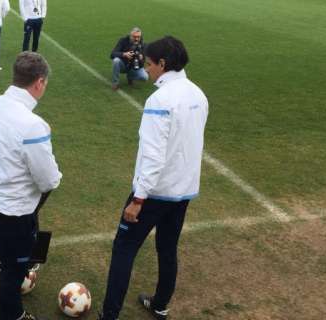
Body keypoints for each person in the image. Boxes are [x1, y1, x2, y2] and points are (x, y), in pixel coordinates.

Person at [98, 35, 209, 320]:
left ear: (162, 63)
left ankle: (109, 315)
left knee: (123, 249)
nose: (146, 69)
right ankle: (160, 305)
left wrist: (138, 199)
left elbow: (153, 155)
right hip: (183, 191)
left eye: (149, 64)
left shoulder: (159, 99)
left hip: (154, 193)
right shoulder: (199, 94)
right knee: (168, 248)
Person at [0, 51, 62, 320]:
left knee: (8, 241)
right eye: (45, 83)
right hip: (13, 213)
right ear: (39, 82)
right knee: (15, 274)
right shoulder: (33, 126)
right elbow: (48, 180)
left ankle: (2, 256)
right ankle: (13, 315)